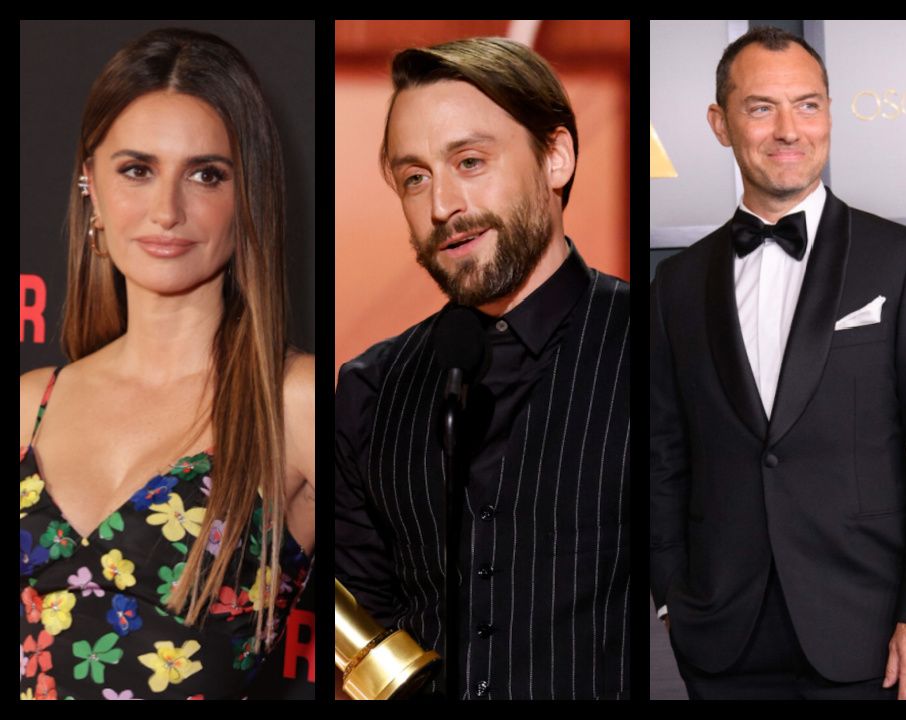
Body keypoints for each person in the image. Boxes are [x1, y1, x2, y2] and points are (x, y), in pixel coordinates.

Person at [649, 27, 906, 700]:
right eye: (761, 108)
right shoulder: (676, 287)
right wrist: (672, 596)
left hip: (871, 633)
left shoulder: (902, 261)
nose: (789, 129)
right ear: (719, 124)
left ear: (831, 115)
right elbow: (663, 456)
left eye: (808, 105)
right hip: (721, 639)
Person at [19, 28, 314, 701]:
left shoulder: (292, 404)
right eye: (137, 169)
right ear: (89, 181)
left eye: (206, 174)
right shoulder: (32, 403)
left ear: (249, 194)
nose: (166, 210)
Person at [334, 37, 630, 700]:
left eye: (470, 161)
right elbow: (362, 634)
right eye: (414, 178)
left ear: (556, 157)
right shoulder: (369, 389)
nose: (442, 205)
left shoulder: (657, 345)